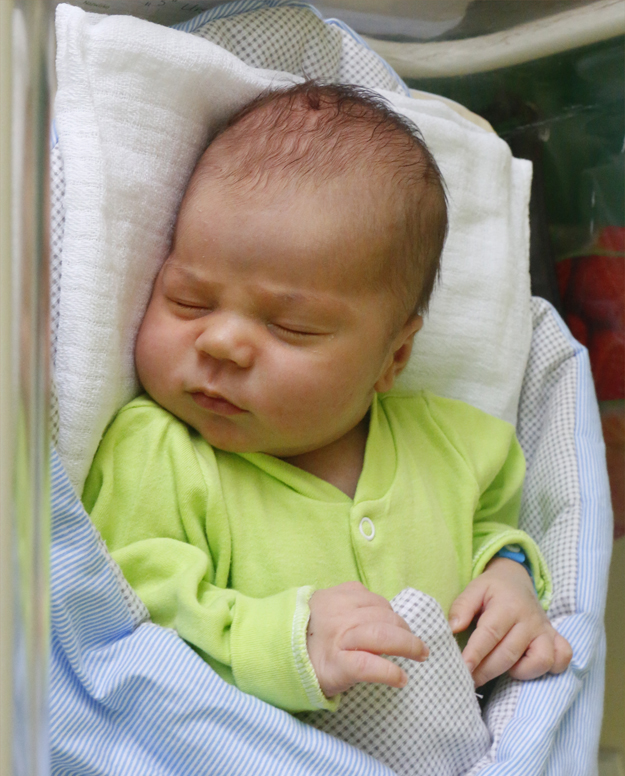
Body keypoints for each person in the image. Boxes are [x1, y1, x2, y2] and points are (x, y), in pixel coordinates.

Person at [83, 82, 572, 715]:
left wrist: (507, 577)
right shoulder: (159, 454)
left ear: (393, 357)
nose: (221, 342)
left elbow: (490, 524)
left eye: (291, 327)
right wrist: (285, 641)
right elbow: (129, 608)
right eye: (189, 301)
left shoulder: (457, 445)